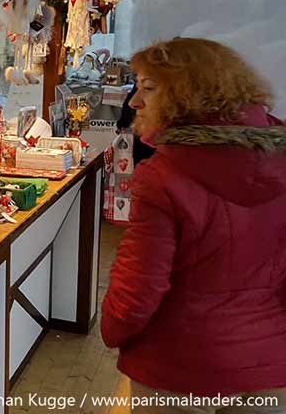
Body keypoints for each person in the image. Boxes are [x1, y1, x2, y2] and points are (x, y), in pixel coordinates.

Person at [101, 38, 286, 413]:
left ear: (188, 96)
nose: (134, 101)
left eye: (148, 89)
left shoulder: (163, 177)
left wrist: (110, 330)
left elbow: (136, 291)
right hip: (268, 365)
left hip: (177, 367)